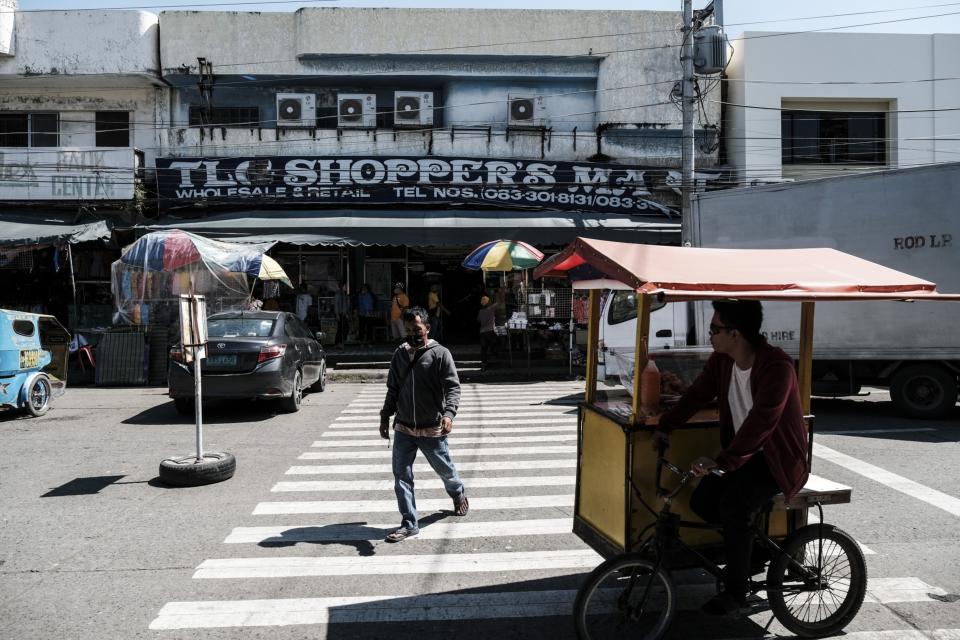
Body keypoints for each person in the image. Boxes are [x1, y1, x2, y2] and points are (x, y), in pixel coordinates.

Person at [654, 300, 809, 615]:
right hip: (744, 456)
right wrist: (666, 425)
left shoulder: (776, 366)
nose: (710, 336)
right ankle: (753, 550)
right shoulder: (722, 361)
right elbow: (697, 394)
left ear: (734, 333)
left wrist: (723, 461)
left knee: (733, 506)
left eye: (714, 330)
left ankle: (736, 593)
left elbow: (763, 420)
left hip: (776, 459)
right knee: (702, 503)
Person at [379, 306, 469, 542]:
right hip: (404, 428)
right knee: (401, 477)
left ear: (427, 328)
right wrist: (385, 416)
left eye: (417, 329)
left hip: (432, 427)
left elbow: (453, 387)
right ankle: (409, 523)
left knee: (446, 470)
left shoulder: (440, 354)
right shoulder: (399, 354)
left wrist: (449, 415)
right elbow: (393, 389)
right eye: (408, 329)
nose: (412, 333)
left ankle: (458, 493)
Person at [476, 295, 500, 365]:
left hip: (482, 332)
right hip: (491, 331)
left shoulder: (480, 311)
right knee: (496, 342)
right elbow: (499, 302)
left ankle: (484, 363)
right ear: (488, 302)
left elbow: (478, 320)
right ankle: (494, 354)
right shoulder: (491, 308)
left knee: (484, 348)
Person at [333, 281, 351, 348]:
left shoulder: (345, 294)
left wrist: (347, 313)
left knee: (342, 328)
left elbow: (347, 305)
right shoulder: (338, 294)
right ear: (342, 286)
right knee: (343, 328)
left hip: (344, 313)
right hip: (340, 313)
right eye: (345, 286)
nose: (346, 287)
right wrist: (337, 314)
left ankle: (338, 342)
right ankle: (339, 342)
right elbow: (336, 305)